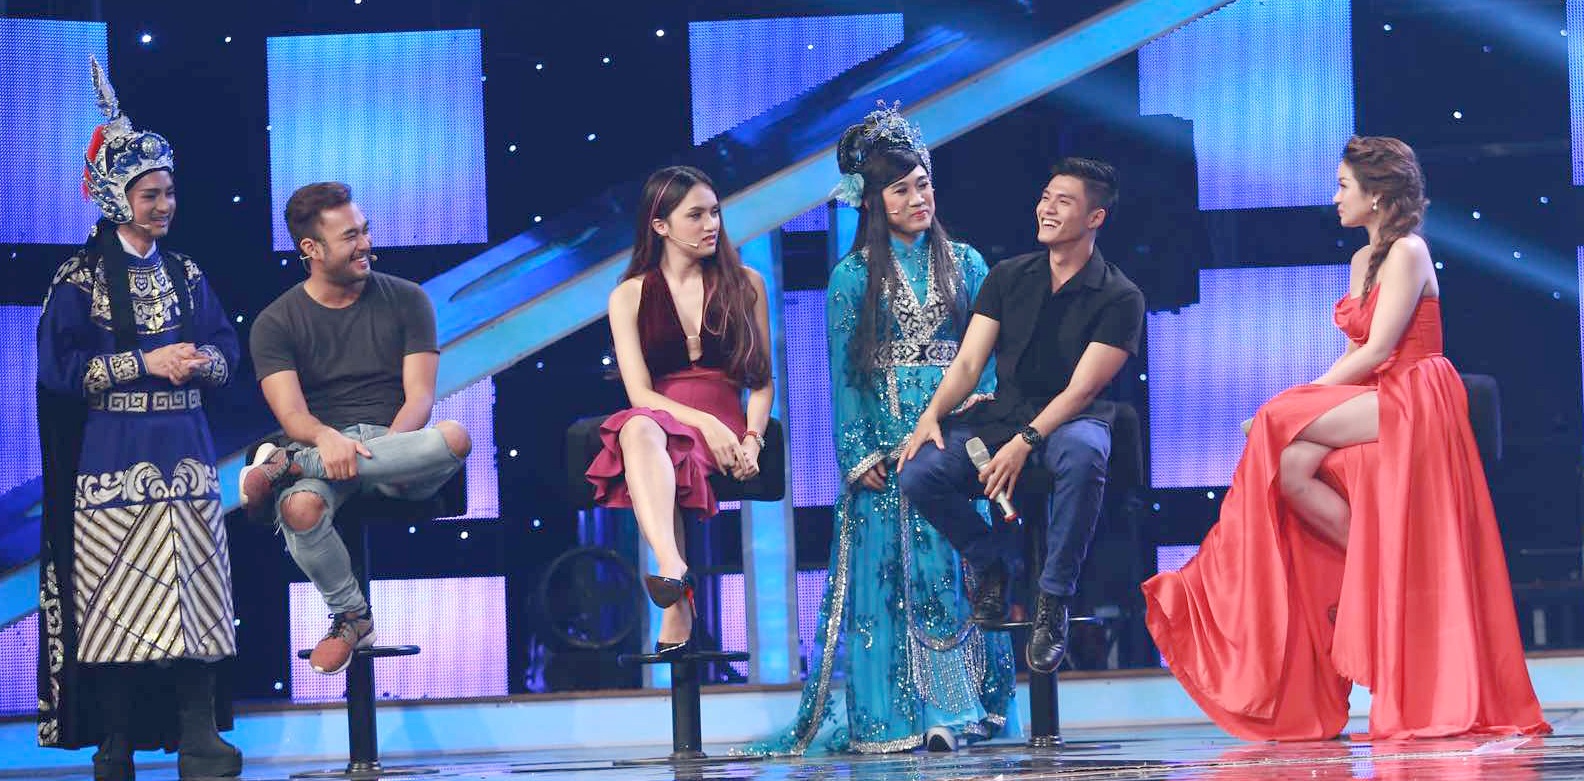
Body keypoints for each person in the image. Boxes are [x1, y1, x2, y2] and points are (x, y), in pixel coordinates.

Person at [1141, 137, 1550, 741]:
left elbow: (1382, 349)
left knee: (1277, 426)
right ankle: (1368, 566)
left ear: (1376, 195)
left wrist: (1290, 404)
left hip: (1416, 395)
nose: (1335, 198)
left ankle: (1215, 579)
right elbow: (1358, 353)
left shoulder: (1408, 251)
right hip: (1377, 395)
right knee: (1291, 464)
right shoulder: (1363, 260)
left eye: (1343, 186)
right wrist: (1297, 405)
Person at [743, 102, 1014, 756]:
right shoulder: (851, 277)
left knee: (951, 573)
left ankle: (958, 709)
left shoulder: (968, 263)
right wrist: (859, 450)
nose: (918, 198)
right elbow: (845, 375)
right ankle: (895, 716)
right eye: (901, 190)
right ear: (871, 201)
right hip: (887, 443)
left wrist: (977, 425)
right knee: (889, 579)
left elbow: (986, 360)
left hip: (956, 436)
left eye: (923, 184)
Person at [36, 57, 242, 781]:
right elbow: (58, 372)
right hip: (113, 454)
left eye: (169, 191)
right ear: (116, 197)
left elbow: (227, 347)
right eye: (151, 193)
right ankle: (114, 741)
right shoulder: (80, 278)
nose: (165, 204)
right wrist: (142, 363)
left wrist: (200, 361)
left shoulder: (186, 273)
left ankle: (198, 737)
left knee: (197, 596)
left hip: (186, 450)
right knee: (116, 603)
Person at [899, 158, 1145, 675]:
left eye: (1063, 201)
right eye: (1045, 197)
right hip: (1004, 416)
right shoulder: (1008, 276)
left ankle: (1053, 599)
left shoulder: (1121, 296)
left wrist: (1024, 442)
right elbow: (969, 364)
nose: (1046, 209)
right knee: (920, 471)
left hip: (1073, 419)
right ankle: (990, 562)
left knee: (1083, 453)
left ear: (1095, 217)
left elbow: (1081, 391)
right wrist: (931, 415)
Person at [241, 182, 473, 675]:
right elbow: (293, 417)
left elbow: (420, 399)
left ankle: (291, 466)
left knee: (455, 438)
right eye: (350, 236)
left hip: (396, 450)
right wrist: (327, 440)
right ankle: (351, 617)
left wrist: (380, 450)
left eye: (364, 231)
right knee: (299, 507)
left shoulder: (408, 299)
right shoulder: (275, 322)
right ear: (311, 248)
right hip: (324, 446)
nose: (365, 244)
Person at [584, 165, 773, 656]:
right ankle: (672, 570)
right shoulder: (629, 295)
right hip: (664, 417)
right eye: (696, 215)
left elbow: (761, 382)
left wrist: (752, 439)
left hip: (725, 420)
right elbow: (640, 393)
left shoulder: (747, 284)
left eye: (715, 213)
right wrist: (702, 423)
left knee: (642, 436)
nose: (711, 225)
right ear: (660, 225)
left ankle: (676, 593)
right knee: (637, 428)